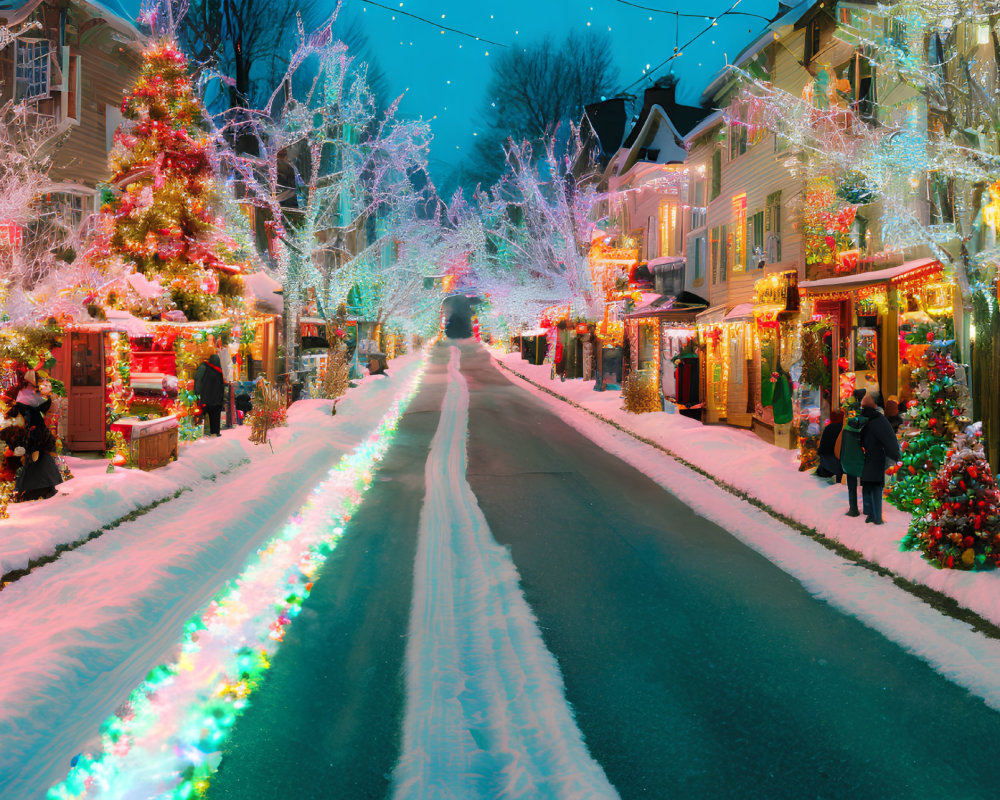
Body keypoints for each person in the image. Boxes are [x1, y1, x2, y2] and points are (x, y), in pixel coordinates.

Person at [6, 370, 62, 501]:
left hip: (36, 432)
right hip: (32, 433)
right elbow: (27, 410)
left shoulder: (32, 395)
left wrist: (47, 397)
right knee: (34, 461)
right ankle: (35, 489)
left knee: (40, 460)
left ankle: (43, 488)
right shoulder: (24, 396)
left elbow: (41, 408)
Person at [859, 390, 901, 525]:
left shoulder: (863, 420)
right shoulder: (878, 420)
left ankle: (870, 514)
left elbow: (861, 439)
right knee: (876, 485)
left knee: (869, 484)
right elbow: (889, 440)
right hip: (878, 456)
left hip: (868, 455)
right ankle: (876, 518)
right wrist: (896, 456)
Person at [838, 408, 868, 517]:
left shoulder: (847, 429)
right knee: (866, 484)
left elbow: (843, 446)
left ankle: (853, 509)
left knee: (852, 487)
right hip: (862, 462)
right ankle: (867, 508)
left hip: (848, 462)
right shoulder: (864, 430)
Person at [196, 353, 226, 436]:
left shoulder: (204, 367)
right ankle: (215, 432)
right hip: (216, 400)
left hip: (206, 398)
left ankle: (198, 432)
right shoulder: (219, 371)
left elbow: (198, 382)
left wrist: (197, 394)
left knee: (201, 416)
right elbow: (221, 387)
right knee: (215, 417)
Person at [816, 409, 845, 482]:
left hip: (825, 463)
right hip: (837, 465)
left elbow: (821, 450)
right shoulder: (843, 429)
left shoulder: (828, 428)